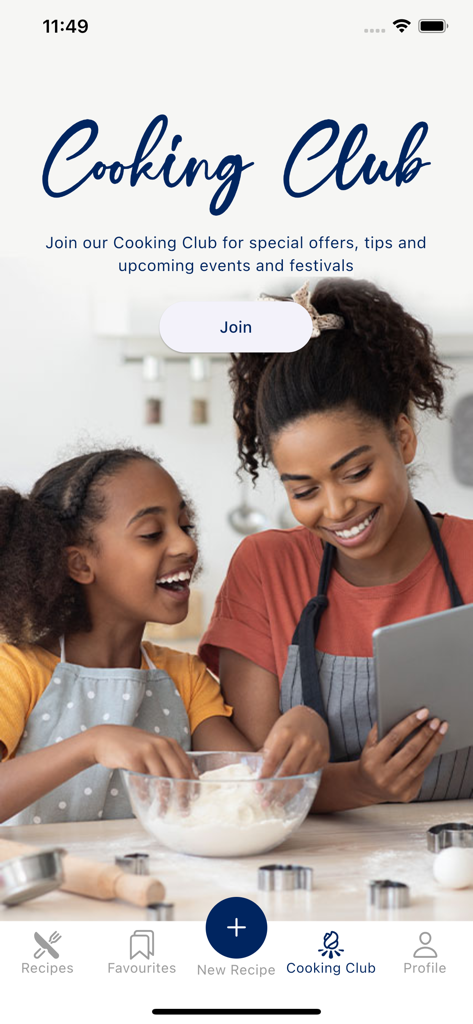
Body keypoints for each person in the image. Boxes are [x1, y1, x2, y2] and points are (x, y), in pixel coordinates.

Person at [199, 279, 473, 810]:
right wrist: (359, 785)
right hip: (314, 871)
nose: (336, 508)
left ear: (404, 438)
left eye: (356, 472)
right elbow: (248, 780)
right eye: (303, 490)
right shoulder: (266, 568)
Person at [0, 448, 328, 825]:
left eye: (184, 526)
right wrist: (92, 744)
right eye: (152, 534)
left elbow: (252, 787)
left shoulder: (185, 678)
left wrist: (305, 725)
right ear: (81, 564)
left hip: (158, 884)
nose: (187, 546)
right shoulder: (16, 672)